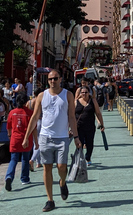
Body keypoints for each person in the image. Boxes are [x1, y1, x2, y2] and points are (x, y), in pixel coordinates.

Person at [22, 69, 82, 212]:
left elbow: (72, 117)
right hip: (45, 137)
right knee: (47, 167)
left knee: (62, 167)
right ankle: (50, 200)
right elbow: (35, 117)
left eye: (55, 78)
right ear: (47, 81)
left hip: (62, 138)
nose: (53, 81)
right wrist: (26, 137)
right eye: (50, 79)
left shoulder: (68, 95)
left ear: (60, 79)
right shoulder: (42, 96)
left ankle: (62, 182)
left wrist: (76, 137)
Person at [5, 93, 37, 191]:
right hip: (26, 139)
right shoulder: (29, 113)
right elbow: (33, 128)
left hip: (15, 139)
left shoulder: (12, 112)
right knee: (25, 159)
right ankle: (24, 178)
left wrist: (10, 136)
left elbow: (9, 127)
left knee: (13, 159)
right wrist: (37, 141)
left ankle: (9, 177)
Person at [75, 86, 105, 166]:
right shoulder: (76, 102)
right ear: (80, 93)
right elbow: (71, 115)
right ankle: (80, 159)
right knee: (79, 143)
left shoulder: (93, 101)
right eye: (82, 92)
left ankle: (88, 157)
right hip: (79, 127)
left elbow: (98, 113)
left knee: (90, 144)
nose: (84, 94)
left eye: (86, 92)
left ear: (89, 93)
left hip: (90, 127)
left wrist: (102, 124)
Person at [28, 88, 43, 171]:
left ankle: (38, 162)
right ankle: (33, 160)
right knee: (40, 143)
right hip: (40, 121)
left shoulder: (29, 102)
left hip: (33, 122)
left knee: (35, 143)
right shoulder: (40, 101)